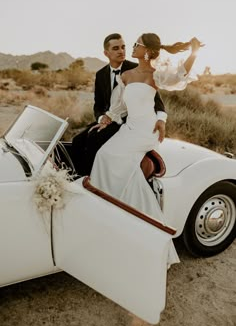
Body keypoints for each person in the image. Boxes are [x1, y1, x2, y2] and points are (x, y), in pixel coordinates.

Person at [90, 32, 203, 222]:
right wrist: (106, 118)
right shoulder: (126, 75)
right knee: (103, 155)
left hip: (147, 130)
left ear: (147, 51)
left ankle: (120, 205)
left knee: (115, 157)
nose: (132, 47)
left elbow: (180, 75)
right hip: (129, 128)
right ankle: (108, 204)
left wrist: (193, 53)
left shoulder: (155, 75)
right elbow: (119, 105)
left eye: (136, 44)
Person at [71, 33, 167, 176]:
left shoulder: (137, 69)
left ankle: (92, 179)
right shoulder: (101, 74)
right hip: (109, 119)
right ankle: (76, 176)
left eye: (123, 47)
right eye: (116, 48)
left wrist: (161, 119)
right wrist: (101, 118)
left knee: (94, 140)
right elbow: (98, 105)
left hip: (128, 123)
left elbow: (157, 102)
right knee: (77, 140)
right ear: (106, 53)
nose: (121, 51)